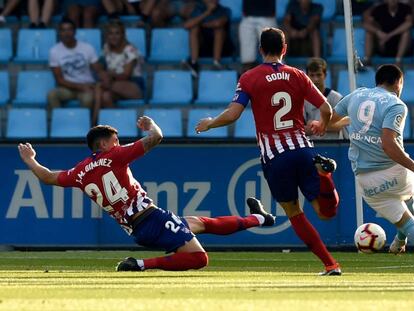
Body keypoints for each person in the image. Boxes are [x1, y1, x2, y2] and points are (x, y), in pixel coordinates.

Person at [18, 116, 276, 271]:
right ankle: (140, 264)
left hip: (138, 229)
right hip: (151, 219)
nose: (118, 144)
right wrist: (151, 124)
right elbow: (157, 137)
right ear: (104, 144)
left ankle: (261, 219)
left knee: (200, 223)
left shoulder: (80, 171)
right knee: (199, 258)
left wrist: (31, 160)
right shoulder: (114, 156)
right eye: (115, 140)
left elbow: (47, 177)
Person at [195, 28, 341, 276]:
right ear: (285, 49)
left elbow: (233, 114)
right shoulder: (298, 75)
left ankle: (331, 264)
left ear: (260, 49)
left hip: (276, 155)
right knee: (325, 212)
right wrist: (323, 125)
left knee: (294, 212)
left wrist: (210, 123)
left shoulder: (250, 77)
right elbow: (326, 107)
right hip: (303, 148)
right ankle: (325, 176)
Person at [330, 64, 414, 254]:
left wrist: (345, 121)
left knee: (406, 220)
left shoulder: (356, 95)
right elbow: (388, 144)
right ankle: (400, 241)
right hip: (395, 171)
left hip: (367, 181)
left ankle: (400, 241)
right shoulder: (395, 104)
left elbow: (331, 121)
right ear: (397, 83)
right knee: (409, 198)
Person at [47, 19, 109, 113]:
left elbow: (98, 70)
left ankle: (83, 123)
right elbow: (59, 80)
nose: (66, 33)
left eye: (69, 29)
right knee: (51, 95)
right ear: (59, 33)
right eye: (63, 30)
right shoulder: (54, 51)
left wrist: (103, 80)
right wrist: (80, 86)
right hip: (68, 88)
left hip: (87, 86)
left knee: (88, 99)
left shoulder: (87, 48)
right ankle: (60, 121)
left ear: (75, 31)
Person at [97, 20, 144, 114]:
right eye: (111, 33)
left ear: (123, 35)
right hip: (112, 83)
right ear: (107, 36)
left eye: (117, 33)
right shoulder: (106, 48)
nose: (113, 37)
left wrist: (109, 75)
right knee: (106, 96)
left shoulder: (130, 50)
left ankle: (94, 119)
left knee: (100, 86)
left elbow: (126, 75)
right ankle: (115, 124)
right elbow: (100, 67)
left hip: (133, 85)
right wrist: (103, 74)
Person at [183, 0, 232, 76]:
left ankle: (216, 63)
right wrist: (207, 12)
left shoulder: (225, 10)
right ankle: (194, 63)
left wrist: (202, 24)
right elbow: (186, 25)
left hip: (223, 49)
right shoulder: (199, 9)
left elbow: (218, 23)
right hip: (203, 47)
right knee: (194, 28)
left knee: (219, 30)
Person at [304, 57, 346, 140]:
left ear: (325, 75)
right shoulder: (303, 100)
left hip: (332, 145)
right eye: (312, 75)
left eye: (319, 75)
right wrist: (329, 125)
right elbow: (301, 128)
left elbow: (344, 124)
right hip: (311, 146)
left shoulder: (337, 97)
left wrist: (312, 123)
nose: (316, 79)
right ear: (307, 76)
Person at [363, 0, 412, 66]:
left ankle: (398, 61)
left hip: (400, 46)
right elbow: (366, 24)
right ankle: (367, 60)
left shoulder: (405, 8)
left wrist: (389, 35)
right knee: (369, 33)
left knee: (406, 32)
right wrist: (378, 32)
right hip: (383, 45)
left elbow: (409, 23)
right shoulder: (379, 9)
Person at [239, 0, 276, 73]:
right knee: (247, 60)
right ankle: (248, 82)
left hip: (267, 16)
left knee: (272, 58)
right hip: (248, 17)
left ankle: (276, 81)